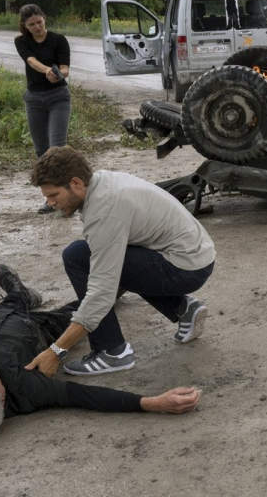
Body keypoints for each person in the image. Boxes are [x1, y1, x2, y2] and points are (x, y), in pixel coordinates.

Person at [0, 264, 202, 441]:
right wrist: (153, 403)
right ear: (1, 398)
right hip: (35, 329)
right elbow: (82, 396)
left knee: (14, 300)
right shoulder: (27, 390)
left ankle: (19, 291)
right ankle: (116, 288)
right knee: (81, 312)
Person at [28, 147, 216, 377]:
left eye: (53, 195)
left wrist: (56, 350)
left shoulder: (105, 211)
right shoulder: (102, 181)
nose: (49, 203)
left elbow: (102, 291)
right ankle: (182, 308)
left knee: (78, 259)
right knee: (94, 255)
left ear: (76, 183)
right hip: (194, 255)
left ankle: (111, 352)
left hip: (186, 267)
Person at [14, 4, 72, 213]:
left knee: (56, 149)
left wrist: (59, 73)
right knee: (41, 152)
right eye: (32, 25)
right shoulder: (21, 41)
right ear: (25, 26)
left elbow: (65, 68)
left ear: (44, 18)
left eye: (39, 22)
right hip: (34, 99)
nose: (37, 27)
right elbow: (31, 61)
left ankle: (67, 197)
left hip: (58, 97)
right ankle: (51, 199)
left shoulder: (59, 40)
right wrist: (47, 69)